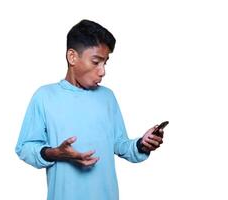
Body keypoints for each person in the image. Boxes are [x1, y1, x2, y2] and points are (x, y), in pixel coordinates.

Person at [15, 19, 164, 200]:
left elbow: (119, 144)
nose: (102, 71)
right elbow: (25, 147)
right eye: (96, 62)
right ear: (72, 57)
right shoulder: (45, 96)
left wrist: (142, 143)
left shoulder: (107, 97)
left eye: (105, 63)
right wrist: (55, 153)